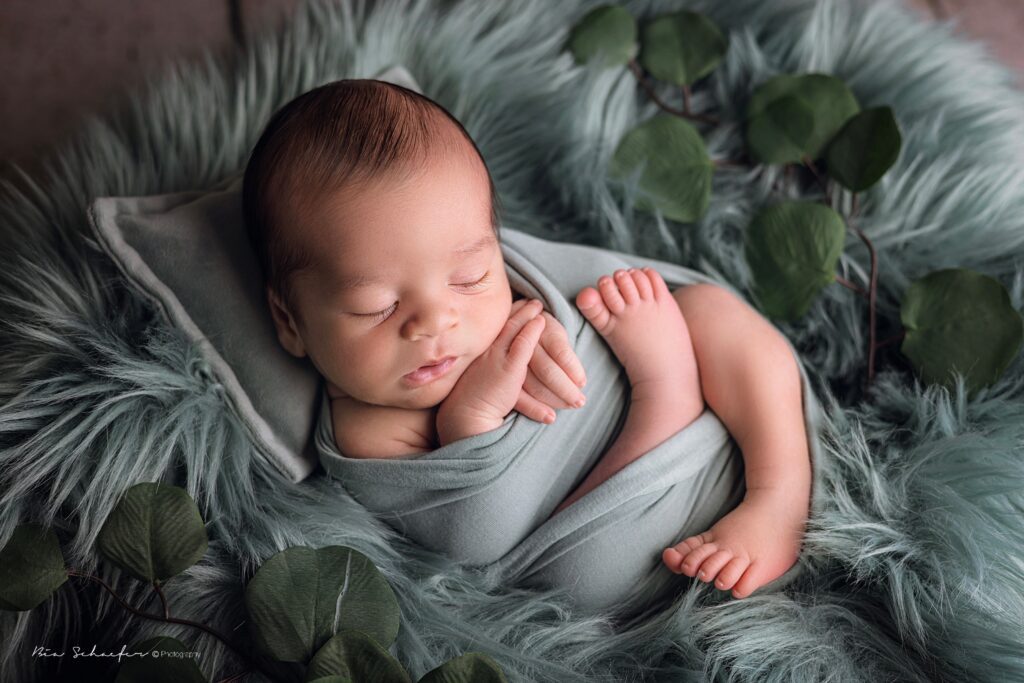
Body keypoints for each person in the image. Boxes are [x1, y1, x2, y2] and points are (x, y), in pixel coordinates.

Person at [242, 78, 811, 600]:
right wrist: (472, 417)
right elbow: (478, 537)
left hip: (724, 431)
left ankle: (780, 493)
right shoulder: (368, 428)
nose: (436, 322)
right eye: (378, 307)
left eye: (469, 278)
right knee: (577, 580)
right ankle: (667, 394)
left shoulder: (513, 280)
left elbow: (581, 282)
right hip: (619, 538)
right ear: (291, 321)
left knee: (710, 311)